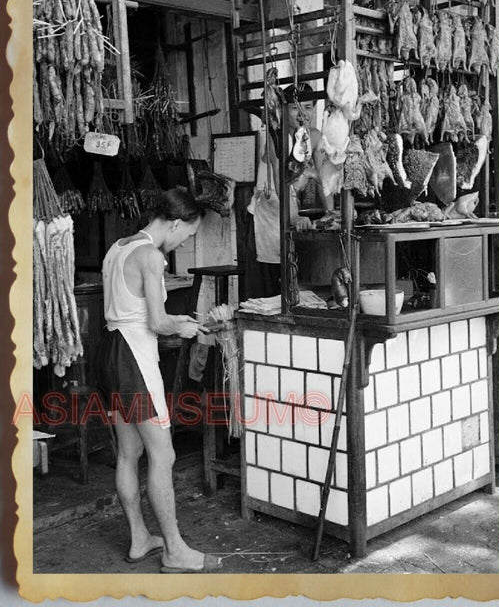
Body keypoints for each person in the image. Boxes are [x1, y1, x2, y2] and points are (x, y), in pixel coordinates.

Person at [96, 186, 220, 573]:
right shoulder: (151, 256)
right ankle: (174, 550)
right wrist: (188, 327)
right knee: (163, 454)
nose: (185, 240)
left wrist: (177, 323)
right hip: (134, 359)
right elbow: (157, 322)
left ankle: (138, 539)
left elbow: (130, 310)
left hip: (109, 354)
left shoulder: (117, 248)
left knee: (128, 453)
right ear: (176, 222)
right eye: (188, 234)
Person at [244, 82, 332, 299]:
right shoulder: (278, 137)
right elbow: (280, 182)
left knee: (295, 281)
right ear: (284, 110)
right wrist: (294, 218)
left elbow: (324, 176)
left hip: (288, 213)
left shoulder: (314, 136)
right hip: (269, 217)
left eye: (309, 107)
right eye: (295, 108)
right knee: (268, 291)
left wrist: (331, 212)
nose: (303, 113)